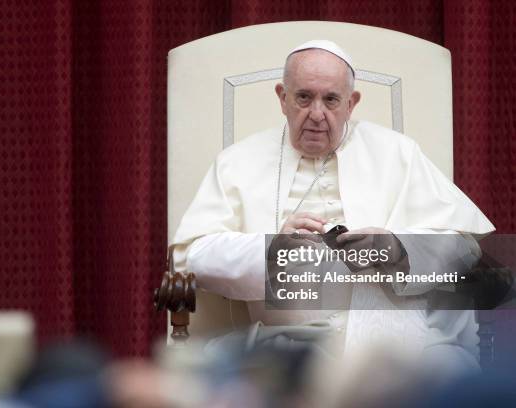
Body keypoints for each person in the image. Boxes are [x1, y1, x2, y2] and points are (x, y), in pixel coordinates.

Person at [171, 40, 495, 372]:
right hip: (289, 344)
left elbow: (463, 247)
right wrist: (270, 249)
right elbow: (195, 257)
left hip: (400, 344)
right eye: (303, 97)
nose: (316, 114)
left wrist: (396, 249)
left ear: (351, 103)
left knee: (444, 374)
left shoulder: (398, 153)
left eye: (331, 100)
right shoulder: (237, 163)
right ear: (282, 97)